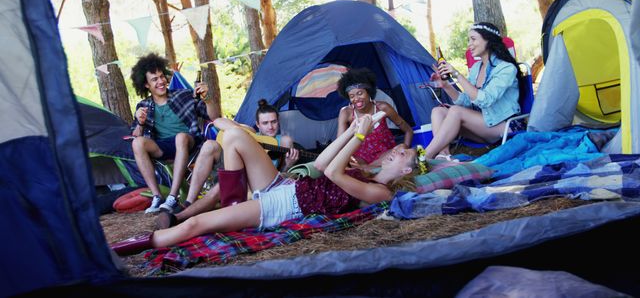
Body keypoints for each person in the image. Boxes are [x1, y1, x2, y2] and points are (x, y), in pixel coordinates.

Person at [111, 114, 425, 256]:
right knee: (235, 136)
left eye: (403, 153)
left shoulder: (380, 192)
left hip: (286, 206)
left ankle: (119, 248)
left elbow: (332, 173)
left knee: (194, 224)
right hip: (287, 187)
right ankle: (234, 207)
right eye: (399, 148)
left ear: (406, 169)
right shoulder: (368, 174)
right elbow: (318, 165)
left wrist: (359, 136)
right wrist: (353, 130)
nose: (397, 149)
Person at [158, 100, 299, 228]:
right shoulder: (251, 132)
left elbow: (282, 177)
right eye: (265, 123)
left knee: (220, 188)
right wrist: (244, 134)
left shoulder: (284, 141)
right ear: (257, 124)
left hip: (258, 183)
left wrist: (288, 164)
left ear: (278, 122)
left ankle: (180, 217)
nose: (270, 127)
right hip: (236, 167)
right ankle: (188, 202)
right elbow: (218, 121)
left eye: (273, 122)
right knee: (209, 146)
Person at [129, 53, 219, 214]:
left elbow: (213, 116)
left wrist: (208, 98)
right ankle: (157, 197)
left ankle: (172, 196)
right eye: (154, 79)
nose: (160, 81)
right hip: (163, 147)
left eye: (161, 77)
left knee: (181, 137)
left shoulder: (183, 95)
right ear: (146, 85)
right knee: (137, 143)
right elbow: (136, 135)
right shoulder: (143, 105)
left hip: (189, 142)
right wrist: (140, 123)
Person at [426, 22, 522, 160]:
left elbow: (485, 99)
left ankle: (425, 157)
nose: (469, 44)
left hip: (503, 125)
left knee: (455, 111)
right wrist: (446, 85)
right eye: (469, 40)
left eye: (473, 39)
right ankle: (443, 156)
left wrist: (457, 74)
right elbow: (465, 102)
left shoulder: (506, 68)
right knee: (438, 111)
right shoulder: (476, 68)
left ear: (488, 39)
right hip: (481, 125)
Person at [336, 67, 413, 169]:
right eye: (352, 96)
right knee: (343, 158)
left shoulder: (383, 107)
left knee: (401, 148)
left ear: (369, 93)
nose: (356, 99)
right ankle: (366, 168)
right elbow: (339, 144)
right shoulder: (346, 112)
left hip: (385, 155)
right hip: (359, 158)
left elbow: (408, 130)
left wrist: (405, 150)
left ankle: (368, 168)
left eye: (360, 93)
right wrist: (348, 159)